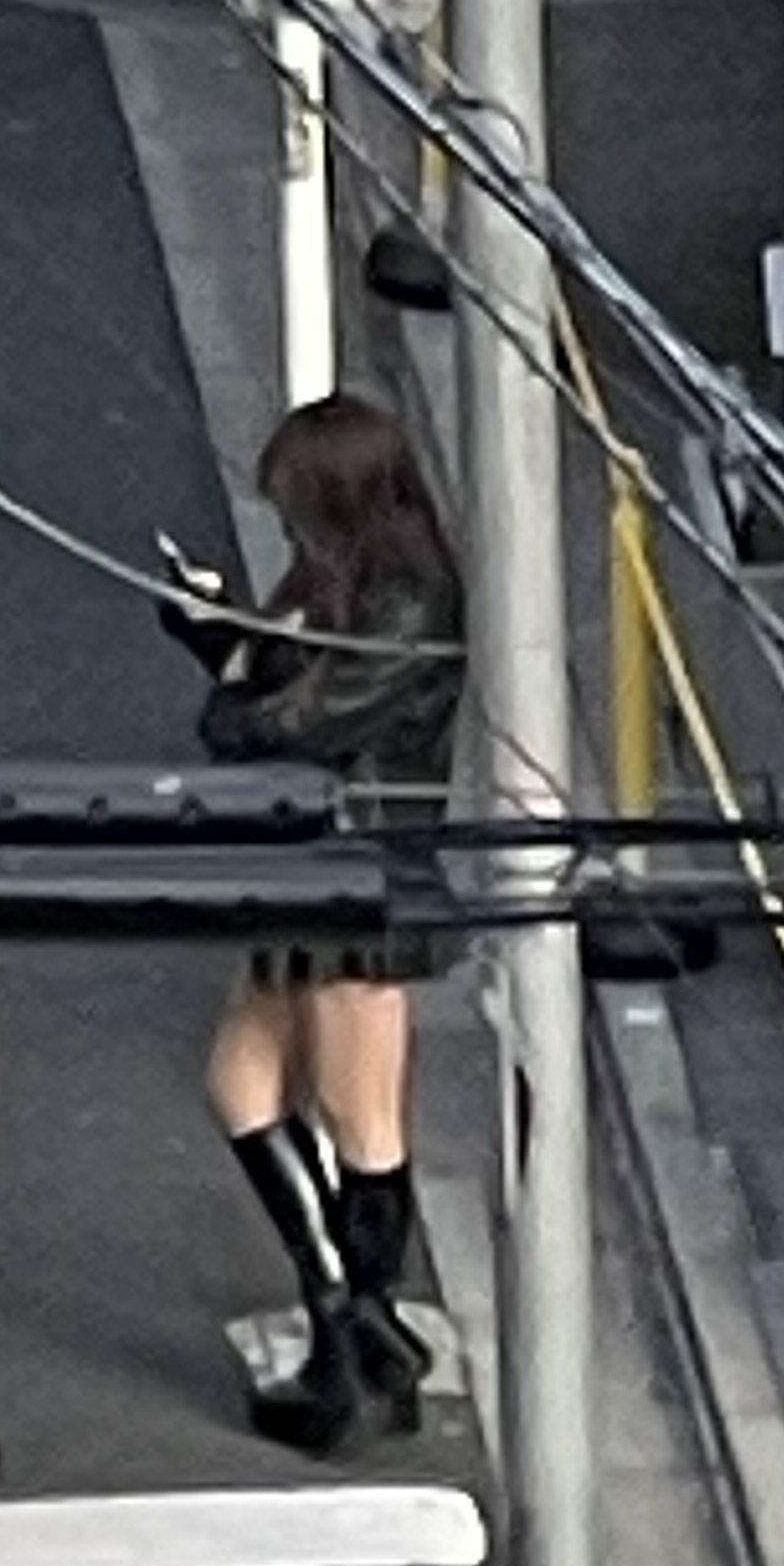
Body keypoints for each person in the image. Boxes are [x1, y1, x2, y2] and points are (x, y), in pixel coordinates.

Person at [168, 393, 465, 1455]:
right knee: (244, 1085)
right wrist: (223, 645)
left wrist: (234, 694)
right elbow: (282, 698)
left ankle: (350, 1342)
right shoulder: (351, 587)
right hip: (312, 863)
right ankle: (352, 1318)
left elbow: (300, 719)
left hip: (358, 873)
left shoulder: (409, 600)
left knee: (359, 1115)